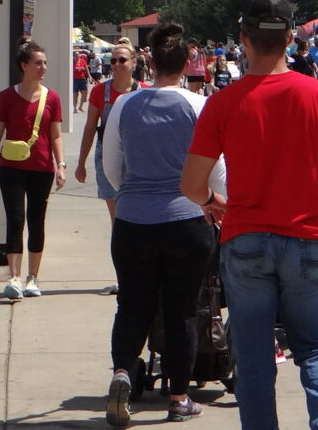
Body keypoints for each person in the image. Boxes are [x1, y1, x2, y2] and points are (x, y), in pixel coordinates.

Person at [181, 0, 318, 430]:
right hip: (305, 238)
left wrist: (213, 203)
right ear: (290, 39)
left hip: (245, 239)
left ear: (243, 39)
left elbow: (191, 185)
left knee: (252, 353)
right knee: (316, 348)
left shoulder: (222, 104)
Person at [101, 23, 223, 426]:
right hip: (187, 220)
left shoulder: (124, 105)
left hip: (134, 220)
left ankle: (122, 372)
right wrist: (213, 201)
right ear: (188, 62)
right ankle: (179, 396)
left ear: (148, 62)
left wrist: (136, 194)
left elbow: (112, 169)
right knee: (182, 310)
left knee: (132, 304)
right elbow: (217, 171)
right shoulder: (199, 105)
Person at [0, 40, 65, 299]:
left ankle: (33, 278)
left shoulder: (52, 98)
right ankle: (14, 277)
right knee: (15, 220)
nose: (43, 68)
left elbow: (56, 135)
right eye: (38, 63)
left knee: (36, 221)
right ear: (24, 65)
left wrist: (61, 165)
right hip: (11, 168)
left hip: (42, 168)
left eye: (45, 63)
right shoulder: (7, 97)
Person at [75, 44, 147, 224]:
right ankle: (120, 250)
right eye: (113, 60)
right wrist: (81, 163)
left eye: (122, 60)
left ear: (134, 62)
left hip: (138, 157)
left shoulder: (145, 91)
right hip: (108, 156)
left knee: (140, 213)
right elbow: (90, 128)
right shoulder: (100, 91)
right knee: (117, 218)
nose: (117, 64)